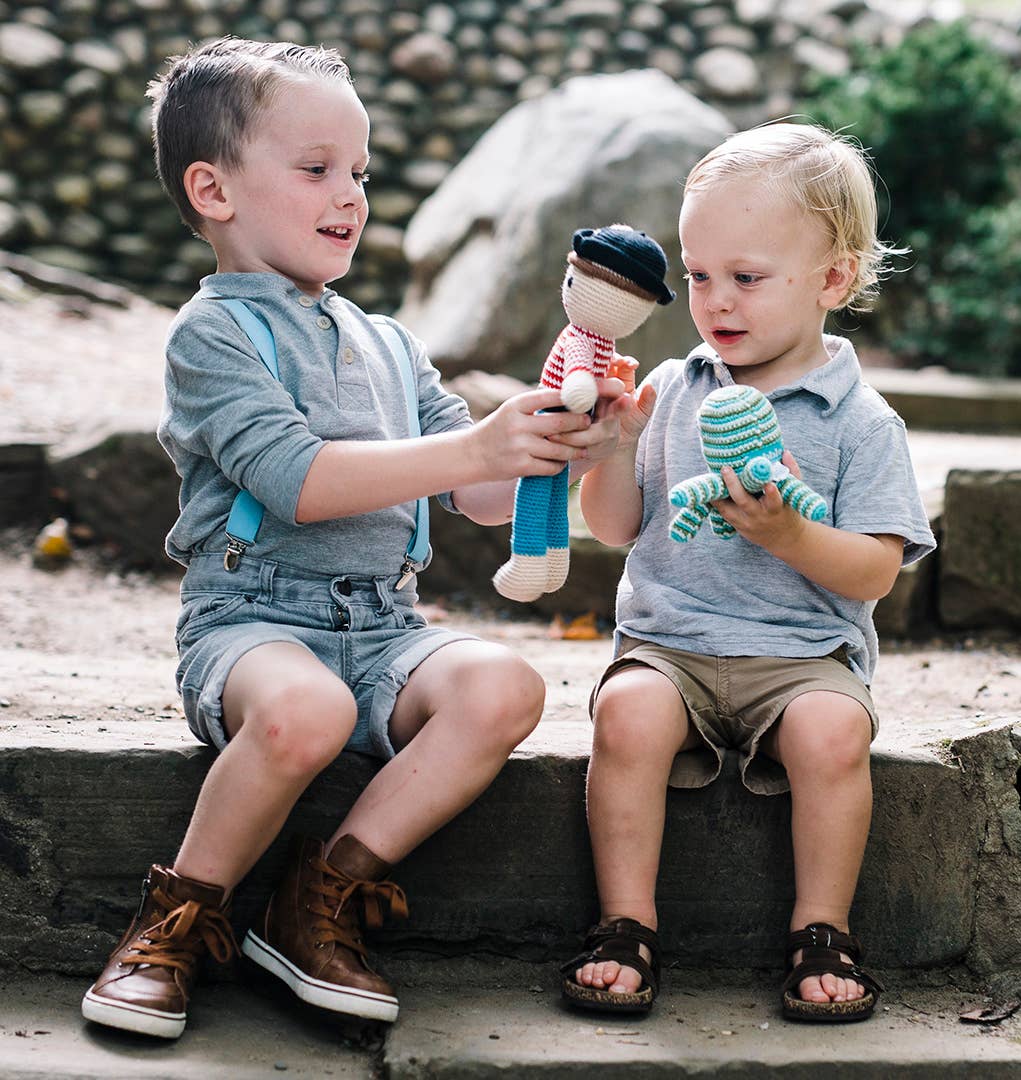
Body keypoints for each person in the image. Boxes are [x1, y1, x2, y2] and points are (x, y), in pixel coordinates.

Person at [81, 37, 631, 1040]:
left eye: (361, 172)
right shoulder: (212, 336)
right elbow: (298, 482)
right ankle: (175, 917)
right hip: (253, 623)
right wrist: (474, 448)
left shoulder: (389, 340)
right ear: (213, 189)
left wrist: (565, 447)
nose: (352, 194)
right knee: (304, 714)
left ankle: (318, 897)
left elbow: (477, 499)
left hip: (386, 626)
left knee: (504, 686)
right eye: (316, 168)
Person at [560, 122, 936, 1023]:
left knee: (832, 737)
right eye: (697, 276)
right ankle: (626, 924)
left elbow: (875, 573)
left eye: (746, 278)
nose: (714, 302)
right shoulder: (676, 388)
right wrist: (613, 447)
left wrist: (790, 536)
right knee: (625, 713)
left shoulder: (861, 422)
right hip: (672, 645)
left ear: (832, 280)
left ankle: (821, 930)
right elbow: (616, 528)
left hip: (803, 655)